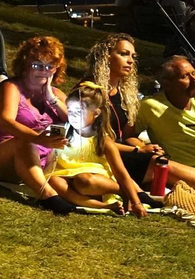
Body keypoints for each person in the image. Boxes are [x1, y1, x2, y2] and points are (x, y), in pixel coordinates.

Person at [83, 36, 195, 193]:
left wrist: (141, 147)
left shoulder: (122, 93)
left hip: (123, 154)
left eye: (133, 56)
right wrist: (138, 150)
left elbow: (126, 134)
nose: (130, 61)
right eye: (123, 54)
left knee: (157, 162)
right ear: (105, 56)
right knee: (159, 163)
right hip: (101, 156)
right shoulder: (88, 91)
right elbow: (89, 141)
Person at [0, 35, 71, 206]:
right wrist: (38, 138)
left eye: (50, 66)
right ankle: (48, 196)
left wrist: (52, 99)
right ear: (25, 64)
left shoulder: (56, 94)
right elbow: (6, 122)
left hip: (43, 159)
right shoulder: (11, 88)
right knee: (24, 141)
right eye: (37, 65)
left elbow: (80, 124)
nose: (43, 71)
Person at [44, 80, 147, 215]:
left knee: (84, 181)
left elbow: (121, 173)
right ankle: (103, 206)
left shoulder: (103, 140)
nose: (74, 116)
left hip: (93, 181)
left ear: (96, 113)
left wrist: (136, 202)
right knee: (53, 181)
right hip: (65, 176)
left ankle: (122, 192)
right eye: (70, 110)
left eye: (80, 111)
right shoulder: (61, 130)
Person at [140, 56, 195, 172]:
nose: (193, 79)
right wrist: (142, 148)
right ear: (167, 84)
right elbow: (127, 136)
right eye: (185, 76)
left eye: (194, 73)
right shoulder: (150, 106)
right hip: (182, 168)